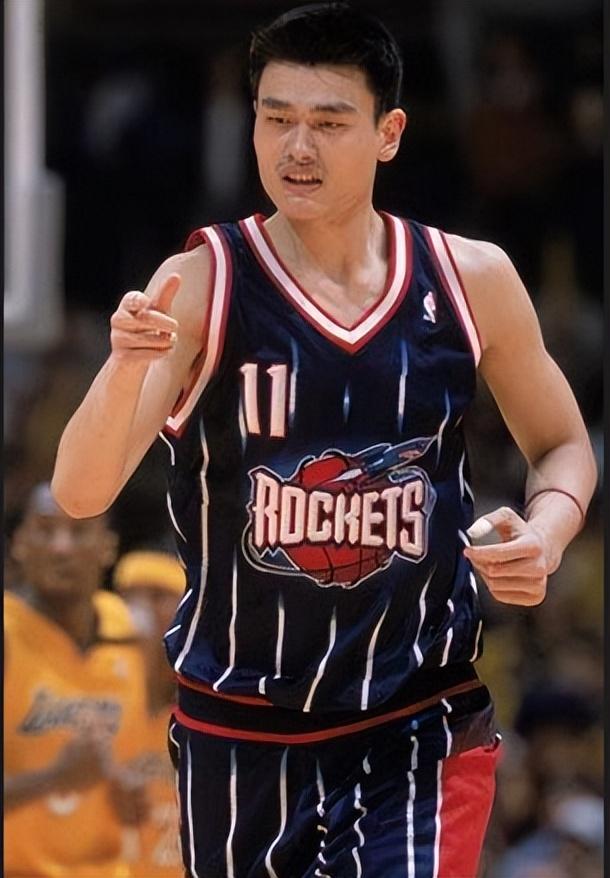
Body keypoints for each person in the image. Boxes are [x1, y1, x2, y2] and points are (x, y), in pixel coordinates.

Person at [52, 3, 597, 876]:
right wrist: (123, 368)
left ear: (389, 133)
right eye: (276, 119)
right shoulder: (201, 282)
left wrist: (548, 530)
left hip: (417, 719)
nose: (296, 147)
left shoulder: (473, 278)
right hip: (239, 728)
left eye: (328, 123)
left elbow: (563, 443)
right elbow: (81, 493)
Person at [4, 483, 149, 878]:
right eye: (45, 529)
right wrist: (54, 779)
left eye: (79, 530)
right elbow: (70, 775)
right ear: (19, 543)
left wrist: (128, 789)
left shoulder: (130, 633)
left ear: (108, 546)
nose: (61, 547)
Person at [114, 550, 186, 877]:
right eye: (129, 597)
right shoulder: (98, 701)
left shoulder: (207, 709)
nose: (138, 611)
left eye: (158, 597)